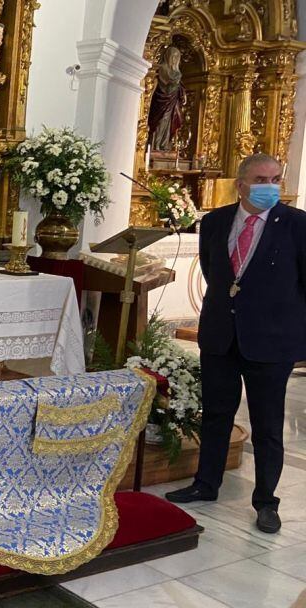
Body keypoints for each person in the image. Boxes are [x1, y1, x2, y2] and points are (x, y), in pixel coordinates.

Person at [166, 153, 306, 535]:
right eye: (261, 179)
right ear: (241, 184)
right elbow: (215, 273)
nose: (270, 186)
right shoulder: (214, 222)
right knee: (215, 414)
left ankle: (266, 501)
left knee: (267, 425)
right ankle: (206, 483)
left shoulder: (296, 225)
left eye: (276, 178)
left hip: (270, 341)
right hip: (221, 336)